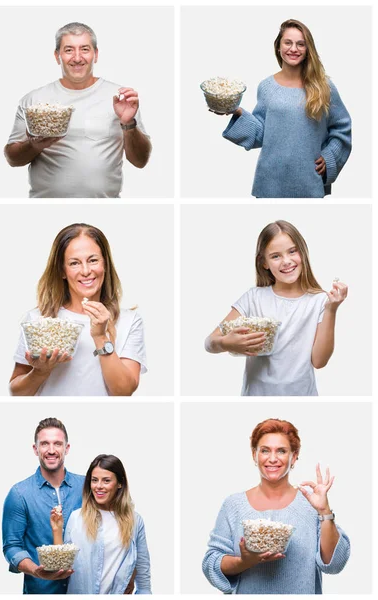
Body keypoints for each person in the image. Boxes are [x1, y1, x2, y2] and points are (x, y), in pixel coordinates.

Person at [4, 22, 152, 198]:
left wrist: (128, 123)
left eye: (84, 49)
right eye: (68, 50)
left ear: (95, 54)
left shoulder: (120, 98)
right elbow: (13, 159)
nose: (77, 57)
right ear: (57, 55)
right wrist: (34, 146)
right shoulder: (34, 100)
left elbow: (140, 161)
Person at [202, 418, 350, 594]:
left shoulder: (310, 505)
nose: (272, 459)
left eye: (281, 451)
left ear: (294, 456)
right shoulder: (233, 505)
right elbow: (211, 562)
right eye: (265, 450)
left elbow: (334, 564)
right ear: (254, 455)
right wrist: (244, 562)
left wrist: (324, 511)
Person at [204, 220, 347, 395]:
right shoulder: (254, 297)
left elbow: (319, 361)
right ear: (264, 262)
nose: (286, 261)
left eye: (292, 251)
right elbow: (209, 343)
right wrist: (226, 343)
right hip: (256, 396)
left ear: (302, 252)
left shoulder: (319, 301)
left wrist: (331, 309)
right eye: (275, 256)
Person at [214, 19, 351, 198]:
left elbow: (342, 126)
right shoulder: (266, 86)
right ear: (278, 47)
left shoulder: (323, 86)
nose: (293, 49)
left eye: (300, 44)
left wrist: (330, 155)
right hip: (269, 181)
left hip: (308, 181)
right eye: (288, 42)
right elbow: (262, 133)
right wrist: (236, 111)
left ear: (308, 49)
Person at [9, 223, 147, 396]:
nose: (86, 271)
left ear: (105, 264)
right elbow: (16, 392)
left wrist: (100, 336)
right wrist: (41, 371)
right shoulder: (38, 320)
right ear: (62, 271)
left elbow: (124, 391)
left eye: (93, 260)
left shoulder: (129, 321)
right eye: (74, 263)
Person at [2, 418, 84, 594]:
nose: (51, 450)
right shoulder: (19, 494)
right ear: (35, 449)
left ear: (67, 448)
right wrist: (35, 570)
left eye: (58, 444)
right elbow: (12, 546)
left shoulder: (86, 487)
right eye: (45, 444)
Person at [51, 454, 151, 594]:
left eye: (106, 480)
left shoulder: (135, 521)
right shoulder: (77, 518)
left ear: (120, 483)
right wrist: (57, 529)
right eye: (94, 480)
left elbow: (143, 570)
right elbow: (61, 567)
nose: (98, 486)